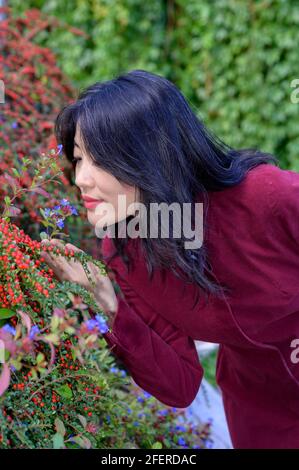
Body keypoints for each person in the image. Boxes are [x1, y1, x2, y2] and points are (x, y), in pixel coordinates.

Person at [41, 69, 299, 449]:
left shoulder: (266, 196)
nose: (81, 179)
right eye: (78, 160)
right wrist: (106, 302)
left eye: (98, 160)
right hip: (261, 411)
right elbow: (179, 385)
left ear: (148, 156)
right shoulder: (125, 251)